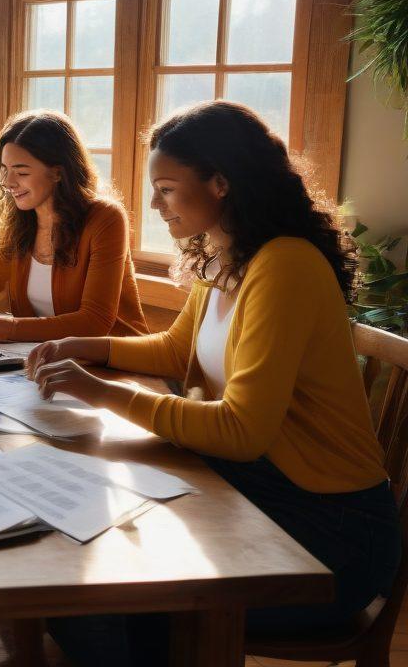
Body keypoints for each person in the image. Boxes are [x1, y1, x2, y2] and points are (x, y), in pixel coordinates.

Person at [26, 101, 399, 665]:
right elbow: (179, 351)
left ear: (221, 183)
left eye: (168, 188)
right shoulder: (225, 257)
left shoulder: (285, 266)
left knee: (93, 598)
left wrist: (100, 391)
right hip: (261, 488)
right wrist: (85, 346)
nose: (154, 203)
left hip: (330, 533)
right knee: (74, 552)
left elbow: (243, 430)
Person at [0, 110, 147, 341]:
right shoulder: (16, 218)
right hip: (44, 359)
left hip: (115, 364)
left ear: (58, 172)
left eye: (21, 172)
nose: (8, 183)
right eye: (4, 170)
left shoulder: (106, 218)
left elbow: (94, 321)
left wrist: (11, 329)